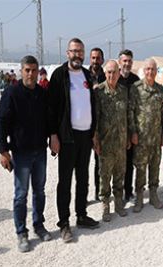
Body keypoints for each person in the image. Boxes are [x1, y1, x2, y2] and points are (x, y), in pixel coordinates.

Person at [0, 55, 53, 252]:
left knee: (40, 191)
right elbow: (1, 121)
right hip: (21, 153)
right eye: (27, 70)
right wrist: (3, 150)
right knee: (21, 194)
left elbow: (49, 119)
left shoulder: (42, 93)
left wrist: (53, 137)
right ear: (21, 71)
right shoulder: (11, 93)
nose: (30, 74)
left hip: (40, 151)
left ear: (38, 72)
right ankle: (21, 232)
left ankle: (39, 225)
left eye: (34, 70)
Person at [48, 38, 100, 242]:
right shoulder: (59, 75)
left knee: (83, 178)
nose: (77, 55)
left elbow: (91, 105)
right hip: (67, 137)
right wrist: (53, 134)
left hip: (85, 136)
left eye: (80, 51)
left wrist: (93, 133)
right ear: (67, 53)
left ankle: (81, 215)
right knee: (65, 181)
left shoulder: (87, 75)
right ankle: (64, 223)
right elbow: (51, 108)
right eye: (74, 51)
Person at [92, 60, 132, 223]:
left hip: (121, 142)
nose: (111, 75)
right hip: (106, 142)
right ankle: (105, 205)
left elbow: (128, 115)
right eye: (109, 72)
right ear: (105, 73)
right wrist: (95, 138)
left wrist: (129, 135)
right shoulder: (99, 91)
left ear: (119, 73)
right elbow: (95, 117)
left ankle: (118, 203)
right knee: (105, 175)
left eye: (114, 72)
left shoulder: (123, 91)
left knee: (120, 174)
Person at [130, 58, 163, 212]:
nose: (150, 72)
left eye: (153, 69)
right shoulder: (136, 88)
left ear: (156, 71)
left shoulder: (160, 89)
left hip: (156, 137)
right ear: (144, 71)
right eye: (148, 69)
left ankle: (153, 194)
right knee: (140, 168)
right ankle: (139, 196)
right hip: (141, 138)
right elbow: (130, 112)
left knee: (155, 166)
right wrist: (133, 132)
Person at [117, 49, 140, 202]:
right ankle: (116, 192)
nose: (127, 63)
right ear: (120, 62)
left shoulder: (135, 80)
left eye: (129, 61)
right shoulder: (114, 77)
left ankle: (128, 191)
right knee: (117, 163)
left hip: (130, 127)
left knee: (129, 162)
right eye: (124, 61)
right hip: (115, 128)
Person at [90, 47, 105, 202]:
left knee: (99, 160)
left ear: (102, 60)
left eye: (98, 58)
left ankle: (99, 190)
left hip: (99, 125)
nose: (95, 61)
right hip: (84, 125)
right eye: (93, 58)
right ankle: (82, 195)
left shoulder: (105, 76)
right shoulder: (83, 75)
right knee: (81, 164)